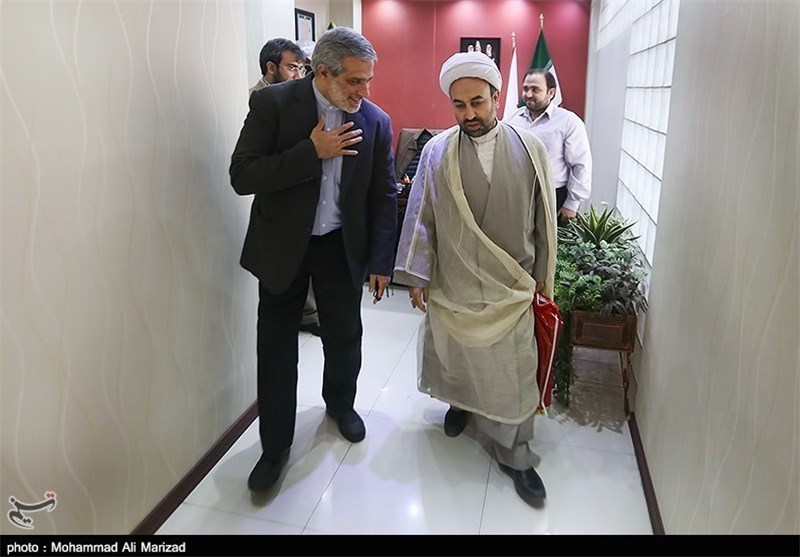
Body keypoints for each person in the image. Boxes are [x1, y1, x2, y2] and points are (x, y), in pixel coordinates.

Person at [230, 27, 398, 492]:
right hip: (283, 246)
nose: (364, 92)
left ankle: (340, 406)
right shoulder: (273, 105)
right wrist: (311, 152)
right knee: (276, 347)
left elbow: (384, 196)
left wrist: (381, 261)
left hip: (340, 247)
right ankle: (274, 446)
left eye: (368, 80)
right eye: (355, 81)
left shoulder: (376, 121)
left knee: (344, 336)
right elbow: (242, 175)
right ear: (323, 72)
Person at [393, 52, 557, 506]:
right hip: (456, 281)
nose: (469, 114)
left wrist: (544, 277)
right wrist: (418, 275)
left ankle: (516, 455)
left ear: (497, 97)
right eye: (459, 105)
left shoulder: (531, 148)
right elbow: (421, 215)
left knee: (514, 371)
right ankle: (461, 404)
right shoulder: (437, 151)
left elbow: (545, 220)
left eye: (477, 102)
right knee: (457, 356)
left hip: (513, 285)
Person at [249, 38, 321, 335]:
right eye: (292, 68)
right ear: (271, 67)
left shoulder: (300, 100)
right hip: (277, 204)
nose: (298, 75)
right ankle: (305, 314)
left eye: (302, 69)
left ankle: (309, 312)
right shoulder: (261, 101)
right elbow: (252, 169)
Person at [504, 68, 592, 225]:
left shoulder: (568, 122)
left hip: (552, 196)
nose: (528, 94)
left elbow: (581, 165)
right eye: (525, 89)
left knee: (548, 241)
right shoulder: (512, 118)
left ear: (551, 93)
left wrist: (572, 204)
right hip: (516, 194)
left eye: (535, 89)